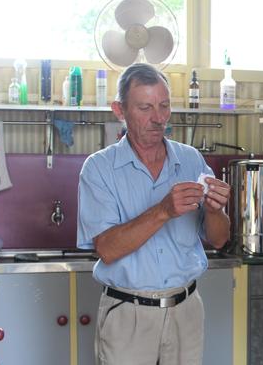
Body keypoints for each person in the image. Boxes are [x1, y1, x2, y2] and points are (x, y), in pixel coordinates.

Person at [77, 63, 231, 365]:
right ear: (119, 110)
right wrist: (163, 210)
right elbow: (107, 249)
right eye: (145, 107)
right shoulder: (98, 169)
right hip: (127, 316)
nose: (158, 118)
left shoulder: (191, 159)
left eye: (164, 106)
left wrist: (215, 211)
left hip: (186, 311)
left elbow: (220, 239)